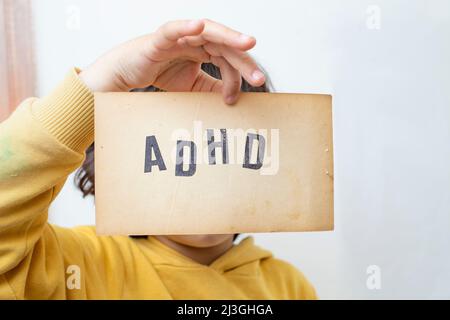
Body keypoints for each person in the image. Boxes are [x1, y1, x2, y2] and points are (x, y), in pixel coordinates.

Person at [0, 19, 317, 299]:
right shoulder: (77, 264)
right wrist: (105, 81)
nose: (203, 167)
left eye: (227, 145)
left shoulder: (289, 286)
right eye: (180, 148)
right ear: (118, 162)